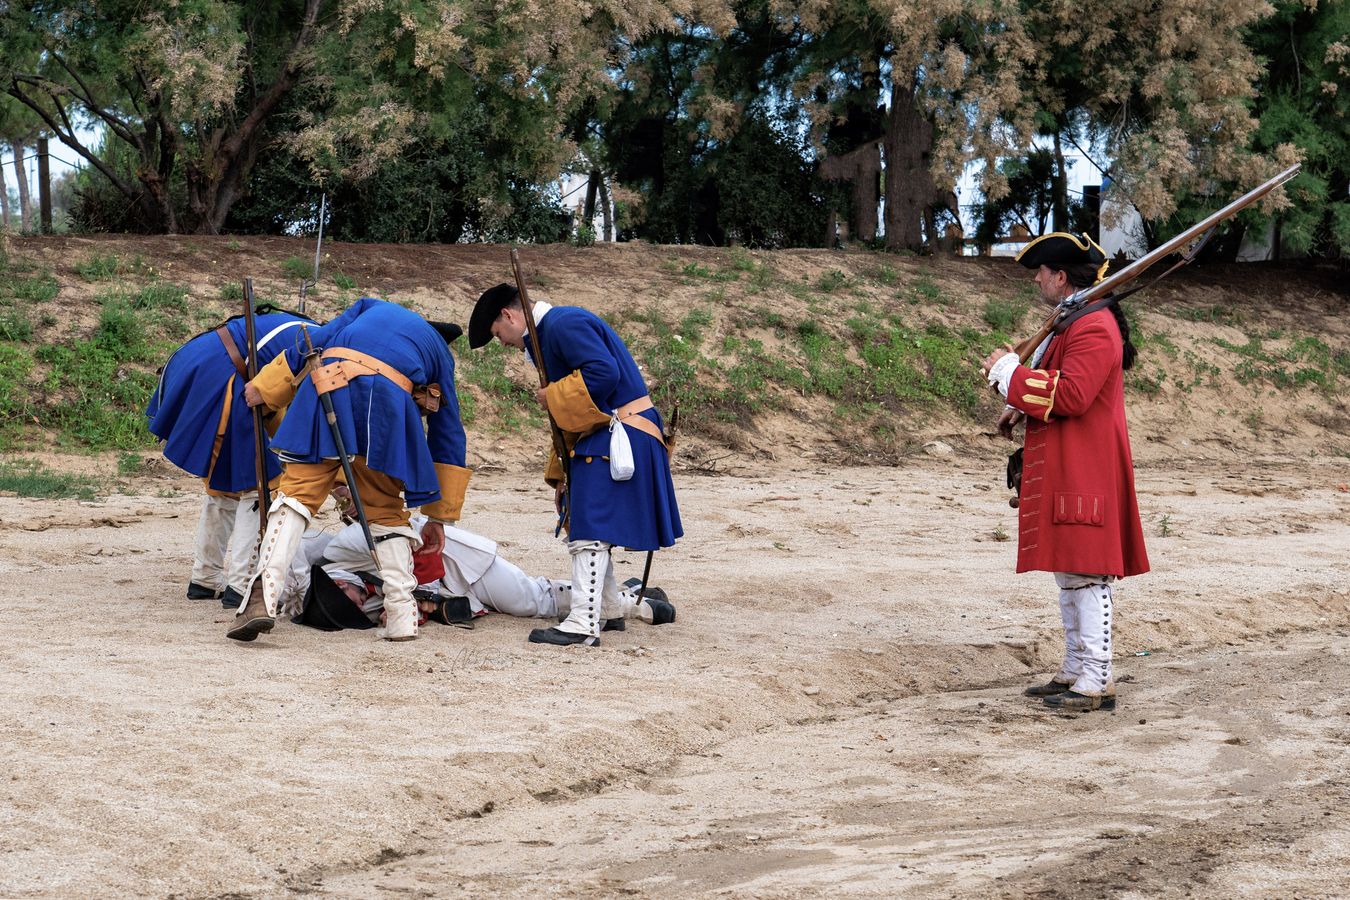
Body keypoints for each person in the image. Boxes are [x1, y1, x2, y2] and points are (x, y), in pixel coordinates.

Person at [226, 298, 471, 644]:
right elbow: (448, 431)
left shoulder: (370, 307)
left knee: (296, 493)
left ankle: (262, 596)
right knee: (384, 506)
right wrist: (438, 518)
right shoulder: (439, 354)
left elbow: (316, 339)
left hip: (327, 384)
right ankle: (402, 616)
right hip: (385, 400)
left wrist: (266, 389)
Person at [980, 232, 1149, 711]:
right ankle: (1076, 669)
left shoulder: (1092, 326)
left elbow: (1071, 395)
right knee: (1070, 574)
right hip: (1072, 462)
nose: (1036, 278)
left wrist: (1009, 375)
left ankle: (1096, 679)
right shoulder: (1074, 320)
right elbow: (1057, 385)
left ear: (1060, 276)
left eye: (1041, 271)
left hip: (1085, 465)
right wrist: (1018, 402)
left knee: (1087, 574)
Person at [468, 283, 682, 647]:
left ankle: (584, 621)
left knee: (590, 527)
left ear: (509, 315)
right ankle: (610, 609)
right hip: (607, 433)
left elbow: (603, 373)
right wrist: (562, 476)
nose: (502, 343)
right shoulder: (549, 334)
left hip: (622, 431)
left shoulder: (563, 324)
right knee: (587, 519)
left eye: (498, 334)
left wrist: (551, 395)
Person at [146, 306, 312, 607]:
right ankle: (242, 584)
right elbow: (271, 400)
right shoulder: (313, 343)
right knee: (260, 485)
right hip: (222, 374)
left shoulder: (298, 329)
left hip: (200, 364)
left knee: (223, 485)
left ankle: (205, 578)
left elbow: (273, 406)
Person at [281, 515, 676, 630]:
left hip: (456, 559)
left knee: (530, 601)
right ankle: (625, 596)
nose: (358, 605)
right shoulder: (361, 606)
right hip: (447, 585)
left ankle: (632, 604)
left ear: (335, 582)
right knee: (531, 600)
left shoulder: (347, 544)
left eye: (345, 600)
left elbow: (414, 545)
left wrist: (420, 598)